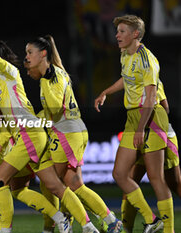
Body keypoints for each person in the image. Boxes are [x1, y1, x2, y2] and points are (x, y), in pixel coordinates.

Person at [0, 15, 99, 233]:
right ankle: (85, 225)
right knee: (40, 186)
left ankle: (22, 227)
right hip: (28, 135)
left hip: (29, 134)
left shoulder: (9, 73)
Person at [23, 36, 123, 233]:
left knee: (53, 182)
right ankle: (110, 221)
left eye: (29, 53)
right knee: (74, 184)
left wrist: (35, 114)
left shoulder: (51, 77)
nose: (26, 58)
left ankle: (74, 223)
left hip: (66, 133)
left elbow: (55, 108)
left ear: (43, 54)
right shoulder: (55, 74)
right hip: (73, 131)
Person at [94, 14, 173, 233]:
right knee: (120, 174)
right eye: (117, 31)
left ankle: (169, 230)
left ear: (135, 34)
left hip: (150, 118)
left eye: (122, 31)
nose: (117, 35)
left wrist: (141, 129)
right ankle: (151, 219)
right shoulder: (125, 54)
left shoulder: (147, 59)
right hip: (133, 118)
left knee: (157, 177)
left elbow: (151, 97)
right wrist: (106, 92)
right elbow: (126, 79)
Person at [121, 80, 180, 233]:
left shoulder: (135, 76)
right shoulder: (153, 77)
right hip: (157, 132)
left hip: (151, 132)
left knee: (134, 181)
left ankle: (132, 227)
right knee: (130, 181)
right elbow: (165, 108)